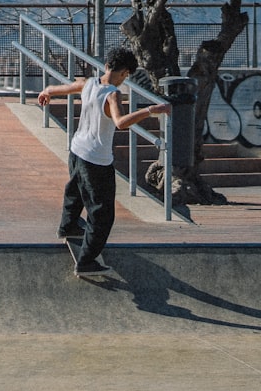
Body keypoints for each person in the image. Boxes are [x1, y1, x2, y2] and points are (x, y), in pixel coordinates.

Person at [37, 47, 171, 274]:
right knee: (102, 213)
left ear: (107, 65)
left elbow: (60, 88)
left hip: (77, 150)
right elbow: (120, 122)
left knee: (75, 191)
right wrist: (151, 110)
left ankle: (68, 226)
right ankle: (87, 261)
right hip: (96, 160)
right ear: (124, 73)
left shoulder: (88, 83)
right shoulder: (113, 94)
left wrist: (47, 92)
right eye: (126, 76)